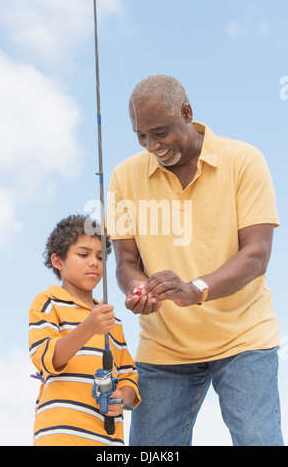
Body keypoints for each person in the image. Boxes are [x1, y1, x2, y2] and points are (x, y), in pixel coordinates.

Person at [107, 75, 284, 446]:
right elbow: (125, 261)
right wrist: (139, 290)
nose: (152, 146)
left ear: (187, 113)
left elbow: (256, 254)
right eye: (141, 136)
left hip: (243, 337)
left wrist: (194, 289)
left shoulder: (244, 161)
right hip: (165, 346)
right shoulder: (125, 177)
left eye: (160, 132)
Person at [29, 214, 140, 446]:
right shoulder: (48, 302)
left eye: (100, 257)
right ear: (58, 261)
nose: (94, 262)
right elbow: (48, 360)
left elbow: (129, 376)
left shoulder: (112, 321)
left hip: (107, 440)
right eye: (83, 254)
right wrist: (89, 327)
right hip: (59, 435)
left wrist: (123, 397)